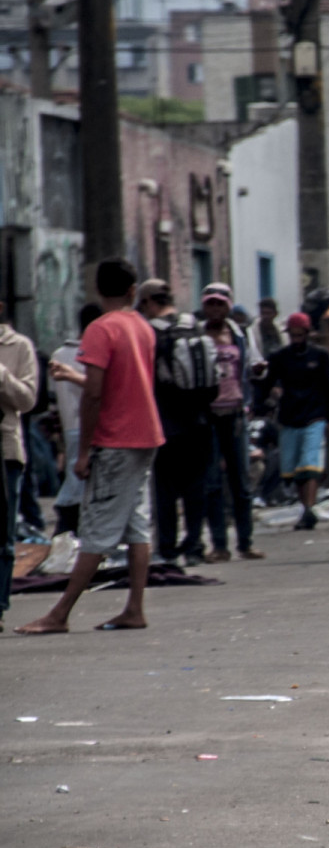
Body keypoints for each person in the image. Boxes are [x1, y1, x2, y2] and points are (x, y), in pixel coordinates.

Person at [17, 259, 163, 635]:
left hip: (117, 438)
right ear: (133, 291)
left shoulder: (100, 329)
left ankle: (60, 613)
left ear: (98, 292)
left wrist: (83, 452)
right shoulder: (143, 328)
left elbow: (97, 393)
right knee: (135, 525)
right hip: (146, 434)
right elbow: (119, 383)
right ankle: (134, 608)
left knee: (97, 528)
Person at [138, 280, 215, 566]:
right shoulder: (194, 325)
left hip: (166, 422)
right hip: (200, 420)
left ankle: (168, 549)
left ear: (148, 302)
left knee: (166, 491)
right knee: (195, 489)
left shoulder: (151, 332)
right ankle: (194, 546)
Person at [253, 311, 329, 531]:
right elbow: (266, 383)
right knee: (293, 469)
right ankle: (306, 507)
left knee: (310, 464)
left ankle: (308, 509)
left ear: (307, 334)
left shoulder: (320, 356)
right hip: (290, 417)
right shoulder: (279, 357)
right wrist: (256, 406)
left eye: (300, 335)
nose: (297, 339)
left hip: (315, 416)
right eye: (293, 335)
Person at [198, 284, 262, 562]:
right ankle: (219, 544)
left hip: (235, 412)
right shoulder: (197, 336)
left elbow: (255, 364)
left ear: (228, 307)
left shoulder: (240, 334)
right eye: (210, 304)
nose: (215, 309)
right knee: (212, 482)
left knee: (241, 482)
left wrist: (259, 371)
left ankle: (245, 542)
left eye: (220, 304)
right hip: (208, 415)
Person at [0, 297, 40, 629]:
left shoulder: (19, 347)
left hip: (5, 448)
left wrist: (1, 375)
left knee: (4, 536)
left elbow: (27, 399)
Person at [48, 304, 101, 536]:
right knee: (82, 487)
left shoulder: (59, 355)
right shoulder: (95, 354)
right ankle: (67, 530)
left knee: (76, 481)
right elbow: (96, 390)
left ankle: (68, 531)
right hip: (93, 427)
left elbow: (54, 402)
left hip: (70, 427)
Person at [246, 296, 285, 360]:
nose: (266, 316)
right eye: (263, 313)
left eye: (269, 313)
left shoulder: (281, 331)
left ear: (275, 314)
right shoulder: (252, 332)